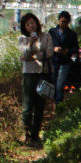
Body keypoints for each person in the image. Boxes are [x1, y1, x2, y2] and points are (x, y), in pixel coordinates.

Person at [19, 12, 52, 147]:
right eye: (27, 24)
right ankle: (27, 133)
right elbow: (24, 54)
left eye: (32, 23)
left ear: (37, 23)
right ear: (24, 27)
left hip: (43, 73)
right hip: (29, 74)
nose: (31, 26)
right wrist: (30, 44)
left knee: (40, 105)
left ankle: (36, 134)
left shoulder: (46, 36)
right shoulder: (23, 39)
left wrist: (34, 57)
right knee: (27, 106)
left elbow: (49, 53)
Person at [48, 11, 80, 102]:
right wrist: (54, 49)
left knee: (60, 86)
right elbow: (47, 46)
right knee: (53, 84)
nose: (63, 24)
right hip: (54, 61)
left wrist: (68, 51)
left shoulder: (72, 34)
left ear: (68, 22)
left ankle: (59, 105)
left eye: (65, 22)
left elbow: (76, 48)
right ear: (59, 20)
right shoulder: (52, 32)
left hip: (65, 61)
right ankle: (54, 103)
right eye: (62, 21)